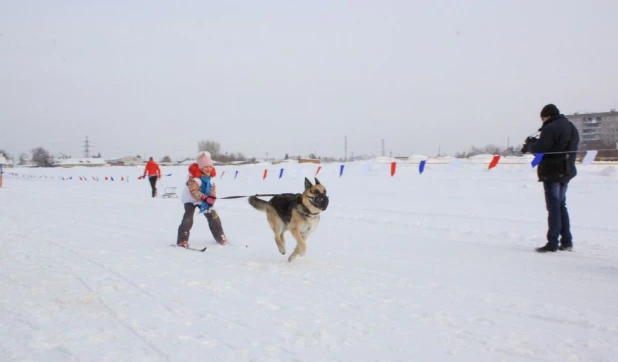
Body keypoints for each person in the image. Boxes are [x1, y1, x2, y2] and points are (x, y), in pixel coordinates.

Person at [521, 104, 580, 253]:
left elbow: (541, 149)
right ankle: (566, 241)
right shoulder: (571, 127)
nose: (542, 121)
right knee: (561, 205)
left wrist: (530, 146)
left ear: (548, 116)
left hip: (552, 171)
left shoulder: (551, 127)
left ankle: (552, 242)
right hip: (566, 171)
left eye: (543, 118)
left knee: (553, 207)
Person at [176, 151, 227, 247]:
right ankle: (182, 240)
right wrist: (205, 198)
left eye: (210, 166)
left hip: (204, 200)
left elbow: (212, 189)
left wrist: (212, 197)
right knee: (188, 219)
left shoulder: (210, 178)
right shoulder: (193, 178)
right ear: (200, 167)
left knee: (214, 216)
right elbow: (194, 192)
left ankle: (220, 237)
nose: (208, 169)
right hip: (190, 200)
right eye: (206, 167)